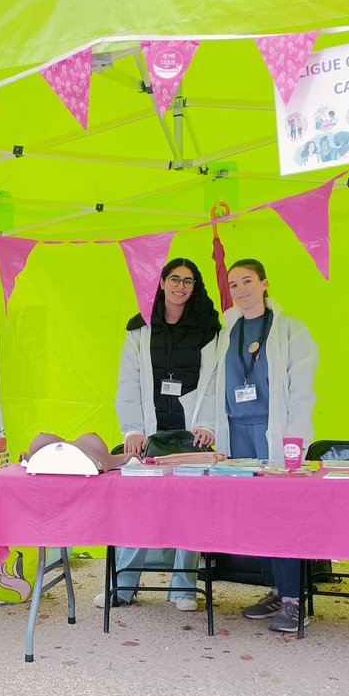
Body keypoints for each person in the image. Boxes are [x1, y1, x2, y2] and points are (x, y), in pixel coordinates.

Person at [198, 258, 318, 632]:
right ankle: (276, 591)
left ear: (265, 283)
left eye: (247, 281)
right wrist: (206, 424)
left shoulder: (290, 329)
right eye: (233, 284)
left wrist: (293, 442)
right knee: (255, 516)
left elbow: (301, 392)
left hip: (274, 433)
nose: (240, 290)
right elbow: (213, 381)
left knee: (281, 513)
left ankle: (296, 600)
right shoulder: (228, 329)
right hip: (236, 434)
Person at [98, 258, 221, 612]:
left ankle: (182, 588)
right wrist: (133, 429)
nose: (181, 286)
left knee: (190, 509)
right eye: (174, 279)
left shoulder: (209, 329)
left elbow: (215, 383)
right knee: (137, 508)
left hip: (192, 434)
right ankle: (123, 585)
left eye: (189, 281)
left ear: (195, 287)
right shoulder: (138, 328)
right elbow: (128, 382)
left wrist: (209, 425)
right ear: (162, 283)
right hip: (150, 433)